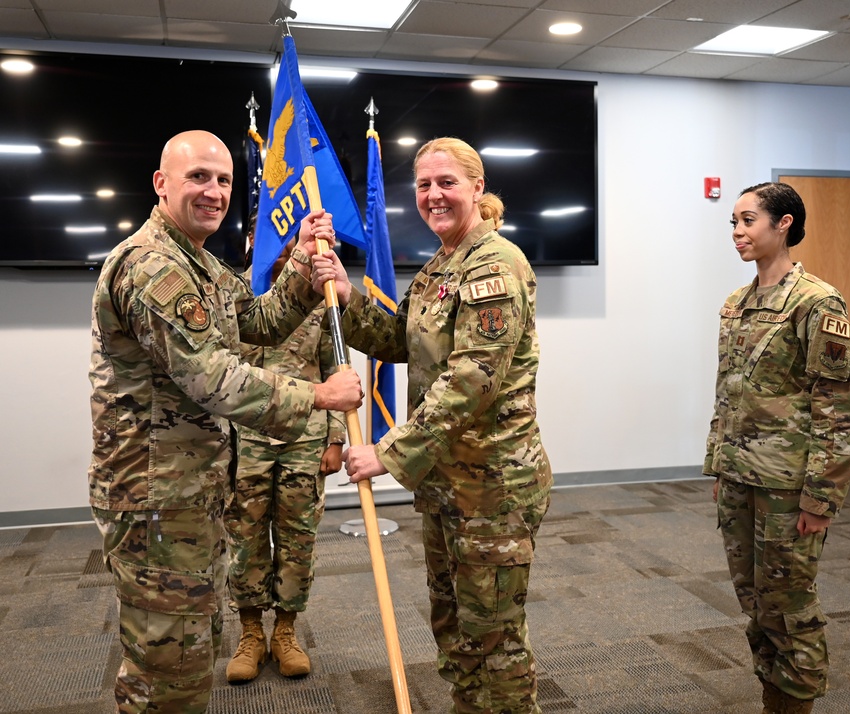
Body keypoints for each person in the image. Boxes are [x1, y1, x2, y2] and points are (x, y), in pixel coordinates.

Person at [88, 130, 363, 714]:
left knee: (185, 650)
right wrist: (319, 396)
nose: (213, 192)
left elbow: (257, 322)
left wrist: (303, 275)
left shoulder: (201, 265)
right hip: (154, 500)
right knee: (166, 668)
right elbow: (212, 378)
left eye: (222, 180)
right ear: (161, 184)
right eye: (197, 177)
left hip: (186, 493)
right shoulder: (152, 268)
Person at [312, 137, 552, 713]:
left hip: (493, 487)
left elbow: (474, 378)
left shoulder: (495, 263)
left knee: (494, 638)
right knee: (456, 626)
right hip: (450, 481)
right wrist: (347, 296)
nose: (434, 195)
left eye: (446, 182)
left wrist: (388, 451)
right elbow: (402, 342)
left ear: (476, 186)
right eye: (423, 185)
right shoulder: (440, 266)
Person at [704, 182, 850, 714]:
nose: (737, 233)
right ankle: (774, 698)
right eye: (733, 222)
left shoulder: (817, 302)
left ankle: (796, 704)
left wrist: (823, 496)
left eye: (748, 221)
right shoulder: (736, 304)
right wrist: (720, 464)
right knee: (754, 601)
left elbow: (836, 406)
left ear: (784, 223)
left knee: (789, 605)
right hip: (741, 478)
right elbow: (728, 392)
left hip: (788, 487)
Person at [224, 240, 347, 683]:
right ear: (252, 248)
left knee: (298, 539)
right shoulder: (235, 299)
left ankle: (286, 632)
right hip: (247, 441)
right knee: (246, 537)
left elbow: (337, 370)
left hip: (305, 437)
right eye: (273, 246)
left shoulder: (318, 299)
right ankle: (252, 632)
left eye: (289, 247)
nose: (281, 254)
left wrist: (336, 438)